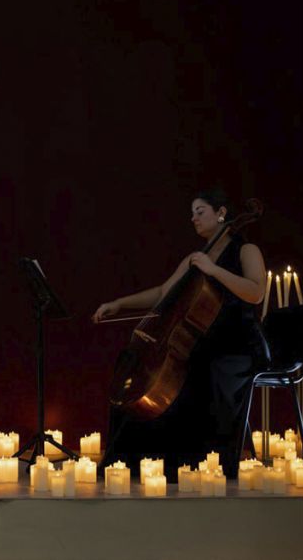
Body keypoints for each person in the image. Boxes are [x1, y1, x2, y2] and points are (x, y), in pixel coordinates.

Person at [94, 189, 268, 477]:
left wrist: (214, 270)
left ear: (221, 213)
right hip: (200, 340)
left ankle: (190, 465)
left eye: (200, 211)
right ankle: (140, 462)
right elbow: (163, 292)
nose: (193, 218)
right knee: (141, 371)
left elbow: (256, 292)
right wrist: (119, 304)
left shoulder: (246, 250)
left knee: (200, 371)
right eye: (192, 213)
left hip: (237, 343)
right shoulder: (195, 258)